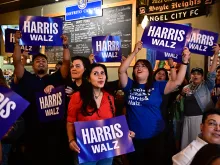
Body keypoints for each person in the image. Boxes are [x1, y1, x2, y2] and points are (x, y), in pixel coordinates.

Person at [118, 41, 190, 165]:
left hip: (156, 136)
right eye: (137, 66)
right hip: (134, 137)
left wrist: (184, 61)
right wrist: (135, 52)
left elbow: (178, 81)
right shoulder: (129, 85)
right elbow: (121, 71)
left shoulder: (158, 85)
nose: (139, 68)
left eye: (143, 66)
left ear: (149, 71)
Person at [12, 31, 70, 165]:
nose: (41, 62)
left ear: (48, 64)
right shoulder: (26, 77)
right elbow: (16, 62)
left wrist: (66, 46)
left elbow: (66, 63)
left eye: (44, 60)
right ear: (32, 66)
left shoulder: (55, 78)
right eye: (37, 61)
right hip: (31, 130)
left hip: (53, 131)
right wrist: (16, 43)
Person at [67, 63, 134, 165]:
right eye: (96, 73)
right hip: (86, 150)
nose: (100, 76)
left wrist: (124, 133)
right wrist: (71, 140)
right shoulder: (77, 97)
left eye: (103, 73)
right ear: (88, 78)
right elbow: (70, 122)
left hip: (107, 149)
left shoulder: (109, 98)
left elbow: (112, 124)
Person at [180, 44, 219, 149]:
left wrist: (216, 55)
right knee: (187, 147)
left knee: (198, 147)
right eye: (193, 73)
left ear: (202, 77)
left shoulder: (207, 86)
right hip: (186, 119)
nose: (195, 75)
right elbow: (179, 103)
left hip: (200, 119)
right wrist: (182, 94)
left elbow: (212, 74)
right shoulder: (186, 87)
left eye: (198, 74)